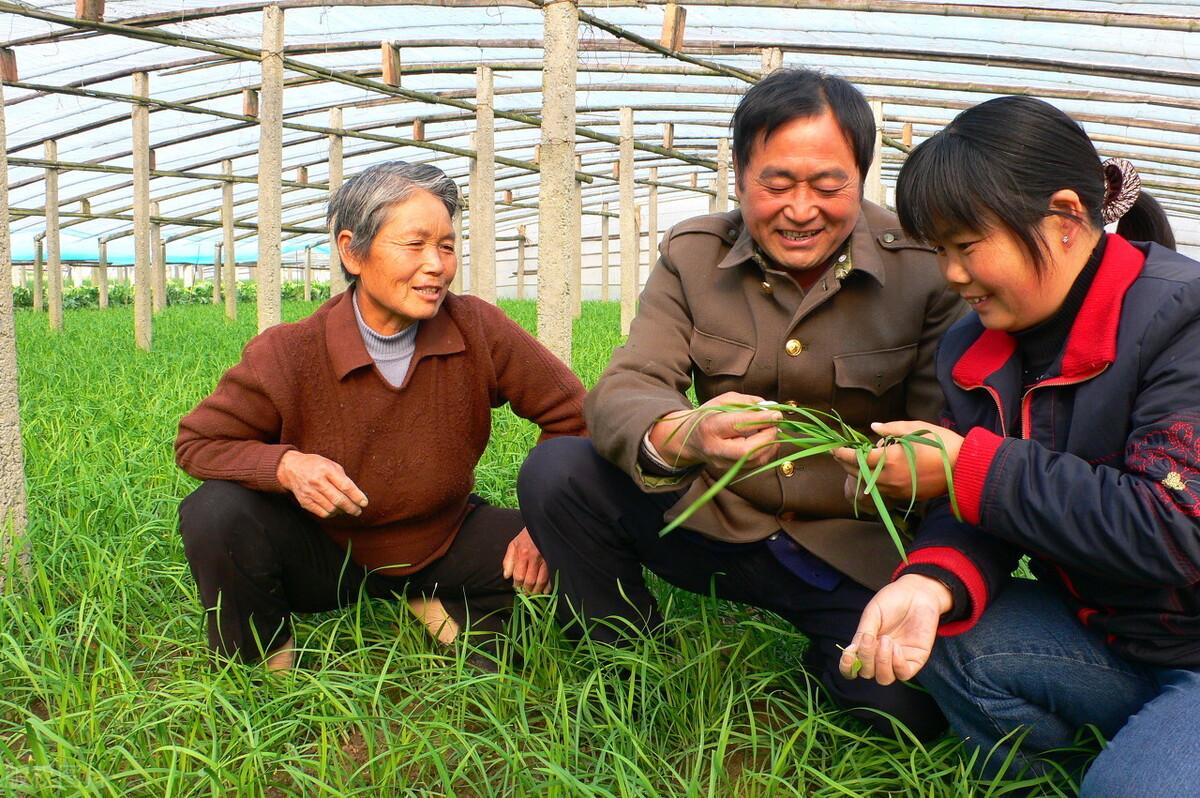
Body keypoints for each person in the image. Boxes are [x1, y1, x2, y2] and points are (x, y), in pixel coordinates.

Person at [518, 69, 963, 739]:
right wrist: (680, 435)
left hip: (852, 551)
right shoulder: (695, 257)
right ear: (738, 174)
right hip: (721, 520)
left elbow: (945, 433)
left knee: (902, 717)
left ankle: (829, 653)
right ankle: (627, 665)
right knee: (559, 474)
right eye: (776, 184)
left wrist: (912, 471)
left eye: (828, 185)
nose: (801, 208)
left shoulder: (924, 270)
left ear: (863, 177)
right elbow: (627, 386)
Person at [833, 96, 1199, 796]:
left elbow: (1179, 526)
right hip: (1114, 638)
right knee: (937, 634)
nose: (951, 274)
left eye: (966, 246)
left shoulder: (1183, 317)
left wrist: (970, 469)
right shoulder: (975, 347)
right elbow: (980, 510)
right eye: (937, 251)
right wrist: (929, 579)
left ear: (1063, 218)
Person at [176, 161, 586, 669]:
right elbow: (198, 442)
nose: (436, 264)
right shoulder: (290, 352)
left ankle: (428, 596)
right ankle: (264, 662)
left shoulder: (477, 327)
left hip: (444, 537)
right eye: (415, 246)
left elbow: (575, 415)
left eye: (447, 246)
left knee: (579, 548)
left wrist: (539, 529)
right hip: (328, 551)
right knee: (215, 512)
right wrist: (287, 466)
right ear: (352, 250)